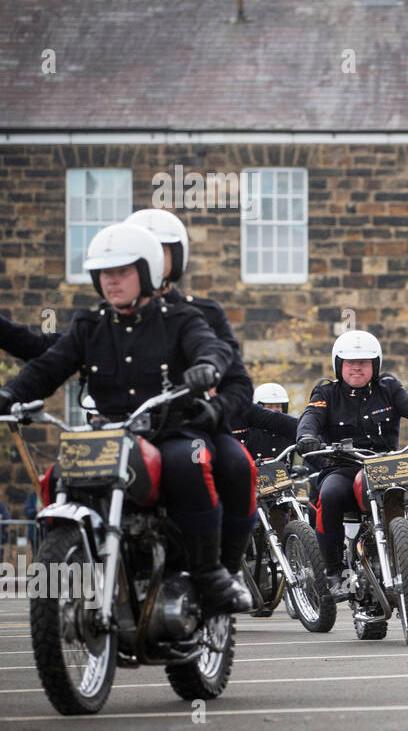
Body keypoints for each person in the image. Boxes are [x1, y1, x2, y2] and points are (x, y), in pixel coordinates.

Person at [0, 224, 247, 612]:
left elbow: (213, 350)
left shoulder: (183, 317)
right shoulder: (90, 326)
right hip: (110, 433)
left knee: (188, 461)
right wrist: (10, 394)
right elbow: (47, 366)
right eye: (104, 274)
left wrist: (207, 370)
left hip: (168, 429)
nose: (111, 281)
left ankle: (210, 572)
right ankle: (68, 571)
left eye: (122, 272)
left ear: (147, 270)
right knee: (62, 475)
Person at [124, 209, 260, 585]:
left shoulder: (201, 313)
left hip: (194, 425)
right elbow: (57, 353)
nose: (149, 257)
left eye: (160, 249)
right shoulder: (109, 316)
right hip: (125, 431)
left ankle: (226, 569)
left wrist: (214, 411)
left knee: (237, 467)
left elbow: (238, 383)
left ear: (177, 258)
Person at [295, 330, 408, 599]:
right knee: (330, 494)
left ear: (376, 365)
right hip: (344, 467)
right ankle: (334, 572)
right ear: (339, 365)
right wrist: (306, 437)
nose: (357, 367)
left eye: (364, 362)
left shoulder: (388, 388)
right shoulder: (326, 391)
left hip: (386, 465)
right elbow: (311, 416)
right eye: (350, 362)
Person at [233, 382, 299, 462]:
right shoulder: (248, 433)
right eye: (269, 407)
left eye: (278, 406)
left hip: (285, 474)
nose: (275, 411)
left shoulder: (291, 430)